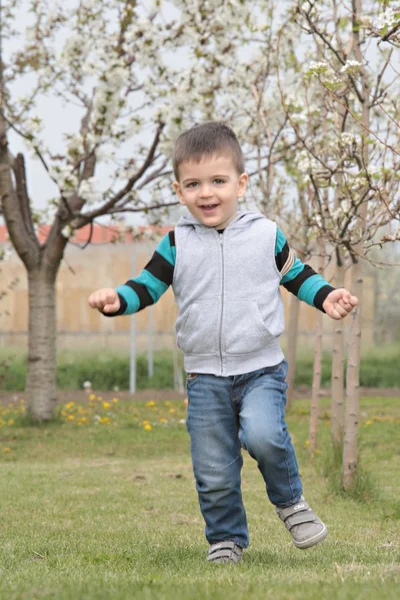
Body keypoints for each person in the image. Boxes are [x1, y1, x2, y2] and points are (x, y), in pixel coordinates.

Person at [88, 122, 358, 565]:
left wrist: (328, 296)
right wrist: (118, 300)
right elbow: (148, 286)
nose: (207, 193)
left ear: (241, 183)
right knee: (214, 469)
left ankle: (291, 504)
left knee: (265, 435)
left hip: (261, 368)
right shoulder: (177, 242)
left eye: (218, 181)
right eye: (193, 184)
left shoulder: (265, 234)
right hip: (204, 376)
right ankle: (226, 540)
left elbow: (297, 275)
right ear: (178, 190)